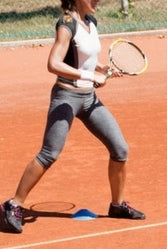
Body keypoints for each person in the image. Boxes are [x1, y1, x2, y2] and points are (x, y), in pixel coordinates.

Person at [1, 0, 144, 235]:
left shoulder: (91, 22)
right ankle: (12, 205)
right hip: (66, 98)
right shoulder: (67, 24)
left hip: (89, 99)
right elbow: (53, 63)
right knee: (49, 153)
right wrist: (88, 74)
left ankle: (117, 205)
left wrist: (101, 69)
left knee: (120, 149)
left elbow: (85, 58)